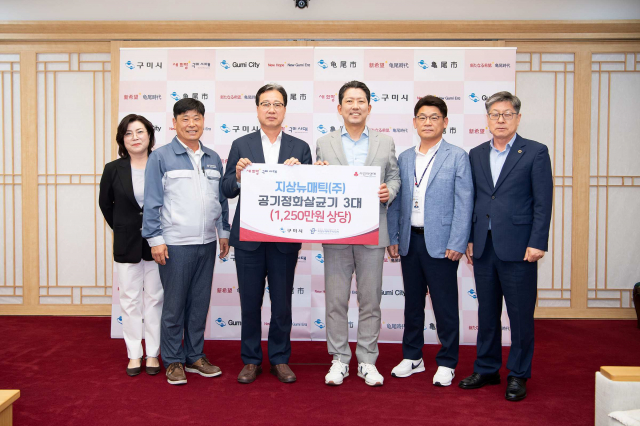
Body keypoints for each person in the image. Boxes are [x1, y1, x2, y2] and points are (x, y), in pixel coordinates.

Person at [458, 91, 553, 401]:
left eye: (507, 114)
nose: (501, 119)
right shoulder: (475, 153)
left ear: (518, 118)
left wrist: (537, 242)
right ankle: (487, 369)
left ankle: (518, 374)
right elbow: (473, 200)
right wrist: (470, 238)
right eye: (495, 114)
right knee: (487, 313)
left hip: (520, 248)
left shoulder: (535, 152)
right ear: (487, 119)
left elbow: (543, 202)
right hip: (484, 247)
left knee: (520, 315)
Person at [221, 83, 312, 384]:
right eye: (265, 104)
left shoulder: (300, 147)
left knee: (282, 303)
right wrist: (237, 175)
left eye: (277, 104)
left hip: (284, 238)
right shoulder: (241, 144)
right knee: (250, 302)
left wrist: (301, 175)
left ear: (285, 109)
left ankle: (280, 359)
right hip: (249, 237)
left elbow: (311, 193)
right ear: (257, 108)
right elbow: (226, 189)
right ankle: (250, 360)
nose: (271, 109)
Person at [315, 80, 400, 387]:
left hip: (372, 231)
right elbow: (315, 182)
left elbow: (394, 177)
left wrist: (388, 191)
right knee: (336, 301)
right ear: (339, 108)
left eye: (360, 101)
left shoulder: (385, 141)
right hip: (336, 232)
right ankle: (339, 358)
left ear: (369, 107)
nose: (355, 106)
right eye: (349, 101)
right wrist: (317, 173)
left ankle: (367, 360)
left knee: (370, 301)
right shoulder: (324, 142)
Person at [142, 98, 231, 385]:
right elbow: (152, 202)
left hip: (207, 243)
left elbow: (220, 200)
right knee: (175, 306)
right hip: (175, 244)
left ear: (203, 121)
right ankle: (173, 360)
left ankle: (195, 356)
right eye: (185, 119)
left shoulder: (213, 158)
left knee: (199, 305)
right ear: (174, 123)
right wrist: (155, 240)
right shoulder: (160, 157)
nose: (192, 124)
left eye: (197, 118)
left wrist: (224, 232)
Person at [387, 95, 473, 386]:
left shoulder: (457, 156)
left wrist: (458, 241)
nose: (428, 122)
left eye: (434, 117)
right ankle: (413, 357)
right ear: (414, 122)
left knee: (444, 306)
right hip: (410, 241)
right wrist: (394, 236)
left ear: (445, 122)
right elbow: (396, 202)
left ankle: (447, 361)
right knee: (412, 304)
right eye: (422, 117)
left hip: (443, 244)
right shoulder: (404, 157)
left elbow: (464, 202)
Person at [99, 114, 164, 377]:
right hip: (126, 244)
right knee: (129, 300)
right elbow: (106, 205)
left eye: (139, 132)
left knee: (155, 300)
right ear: (122, 140)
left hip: (158, 244)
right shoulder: (113, 169)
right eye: (128, 133)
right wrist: (123, 228)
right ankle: (134, 354)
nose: (134, 137)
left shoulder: (161, 164)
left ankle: (153, 353)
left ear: (150, 136)